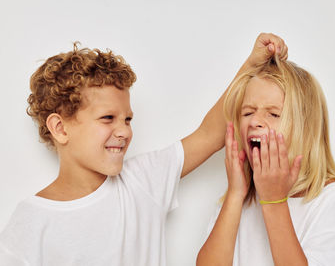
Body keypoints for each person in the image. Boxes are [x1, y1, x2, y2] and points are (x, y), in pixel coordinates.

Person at [0, 34, 287, 265]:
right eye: (107, 118)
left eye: (127, 119)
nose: (124, 130)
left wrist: (252, 64)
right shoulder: (30, 223)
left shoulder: (143, 181)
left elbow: (211, 134)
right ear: (61, 128)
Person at [197, 55, 335, 266]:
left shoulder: (333, 201)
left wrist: (274, 201)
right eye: (247, 112)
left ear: (305, 130)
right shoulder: (239, 198)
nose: (255, 121)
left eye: (273, 114)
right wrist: (235, 195)